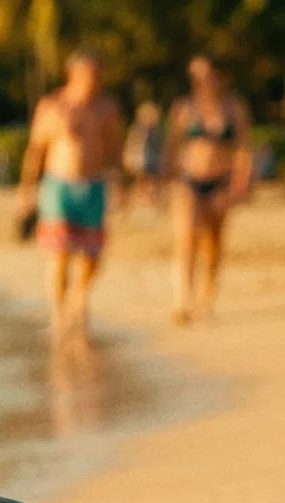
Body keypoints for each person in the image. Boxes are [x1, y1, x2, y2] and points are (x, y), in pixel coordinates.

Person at [19, 49, 124, 338]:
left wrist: (122, 182)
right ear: (73, 74)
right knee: (60, 252)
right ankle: (58, 312)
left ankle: (79, 296)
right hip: (58, 185)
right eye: (90, 74)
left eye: (98, 74)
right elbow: (36, 151)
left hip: (93, 185)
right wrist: (26, 191)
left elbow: (115, 150)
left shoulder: (106, 108)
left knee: (93, 253)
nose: (95, 80)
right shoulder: (52, 106)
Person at [162, 55, 253, 325]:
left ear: (219, 77)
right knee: (186, 238)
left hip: (220, 182)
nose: (202, 82)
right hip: (188, 180)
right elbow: (171, 146)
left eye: (207, 76)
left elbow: (244, 149)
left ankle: (207, 299)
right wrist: (164, 181)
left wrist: (240, 184)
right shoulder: (184, 108)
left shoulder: (234, 108)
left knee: (213, 242)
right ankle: (182, 299)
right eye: (196, 77)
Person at [121, 101, 166, 216]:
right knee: (141, 183)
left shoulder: (156, 131)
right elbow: (131, 144)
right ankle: (137, 205)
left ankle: (153, 205)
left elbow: (160, 147)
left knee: (152, 183)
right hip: (140, 161)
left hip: (152, 161)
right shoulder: (137, 130)